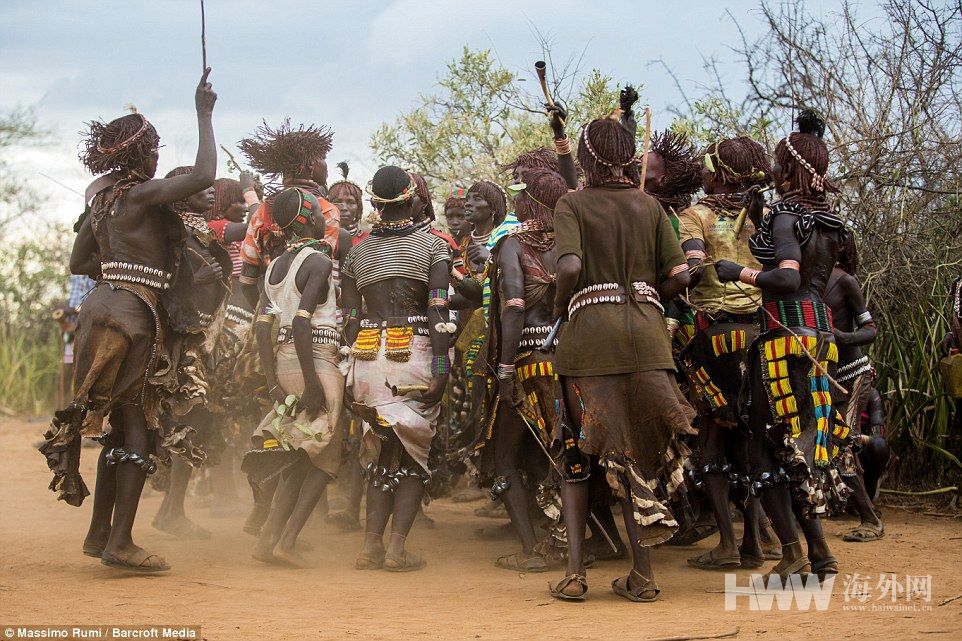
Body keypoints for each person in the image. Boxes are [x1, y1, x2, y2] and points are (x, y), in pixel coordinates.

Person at [40, 68, 218, 574]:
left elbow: (79, 263)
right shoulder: (139, 194)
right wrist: (204, 114)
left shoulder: (101, 201)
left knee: (117, 426)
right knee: (138, 424)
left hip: (98, 308)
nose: (158, 158)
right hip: (134, 315)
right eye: (153, 149)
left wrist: (123, 266)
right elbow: (204, 176)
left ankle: (99, 534)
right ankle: (121, 543)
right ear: (138, 155)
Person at [550, 116, 694, 602]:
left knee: (576, 454)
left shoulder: (571, 203)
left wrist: (559, 307)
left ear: (586, 158)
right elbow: (681, 276)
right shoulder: (649, 206)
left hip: (589, 342)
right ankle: (644, 575)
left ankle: (574, 576)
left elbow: (569, 266)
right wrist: (648, 292)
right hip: (649, 341)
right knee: (639, 455)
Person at [715, 109, 851, 582]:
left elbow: (786, 277)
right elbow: (810, 269)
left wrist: (740, 274)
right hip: (821, 338)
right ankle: (820, 553)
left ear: (789, 169)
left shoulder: (788, 215)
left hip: (784, 338)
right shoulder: (831, 222)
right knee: (802, 444)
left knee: (764, 447)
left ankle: (795, 551)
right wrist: (757, 221)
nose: (772, 173)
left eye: (777, 165)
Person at [342, 166, 451, 572]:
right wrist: (441, 369)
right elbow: (438, 310)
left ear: (375, 204)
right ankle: (396, 550)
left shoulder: (357, 252)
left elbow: (350, 318)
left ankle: (370, 546)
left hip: (368, 359)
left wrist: (352, 364)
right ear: (412, 199)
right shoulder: (434, 247)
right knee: (412, 455)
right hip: (416, 354)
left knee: (380, 449)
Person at [677, 136, 775, 570]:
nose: (701, 171)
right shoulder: (763, 218)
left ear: (716, 172)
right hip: (759, 335)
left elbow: (692, 270)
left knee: (713, 444)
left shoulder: (694, 216)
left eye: (705, 165)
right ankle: (756, 539)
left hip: (715, 339)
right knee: (753, 440)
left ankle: (727, 545)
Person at [241, 187, 343, 568]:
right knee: (325, 459)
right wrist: (313, 383)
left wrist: (272, 381)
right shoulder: (317, 261)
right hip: (314, 362)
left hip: (284, 364)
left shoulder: (274, 267)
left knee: (301, 456)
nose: (325, 216)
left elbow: (262, 327)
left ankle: (268, 540)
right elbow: (302, 323)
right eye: (319, 211)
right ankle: (286, 542)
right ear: (308, 219)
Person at [479, 168, 570, 572]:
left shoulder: (513, 246)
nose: (514, 202)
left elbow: (512, 310)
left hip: (528, 364)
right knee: (564, 453)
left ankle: (533, 549)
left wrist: (503, 369)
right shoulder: (570, 245)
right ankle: (586, 541)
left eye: (520, 196)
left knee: (504, 457)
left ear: (530, 201)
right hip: (569, 362)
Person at [152, 166, 230, 540]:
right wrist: (195, 280)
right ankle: (169, 512)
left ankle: (172, 510)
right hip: (179, 347)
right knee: (183, 424)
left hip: (199, 342)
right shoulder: (172, 234)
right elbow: (161, 285)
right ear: (183, 195)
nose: (211, 193)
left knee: (192, 427)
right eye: (203, 188)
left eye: (213, 188)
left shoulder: (196, 233)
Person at [237, 119, 341, 303]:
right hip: (314, 316)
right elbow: (320, 272)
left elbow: (247, 281)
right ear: (310, 165)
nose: (326, 165)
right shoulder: (326, 210)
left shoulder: (262, 211)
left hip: (270, 312)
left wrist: (267, 314)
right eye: (323, 158)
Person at [824, 230, 884, 542]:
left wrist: (842, 337)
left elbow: (870, 329)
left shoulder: (844, 281)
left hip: (852, 374)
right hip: (820, 377)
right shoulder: (801, 282)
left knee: (839, 440)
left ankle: (869, 519)